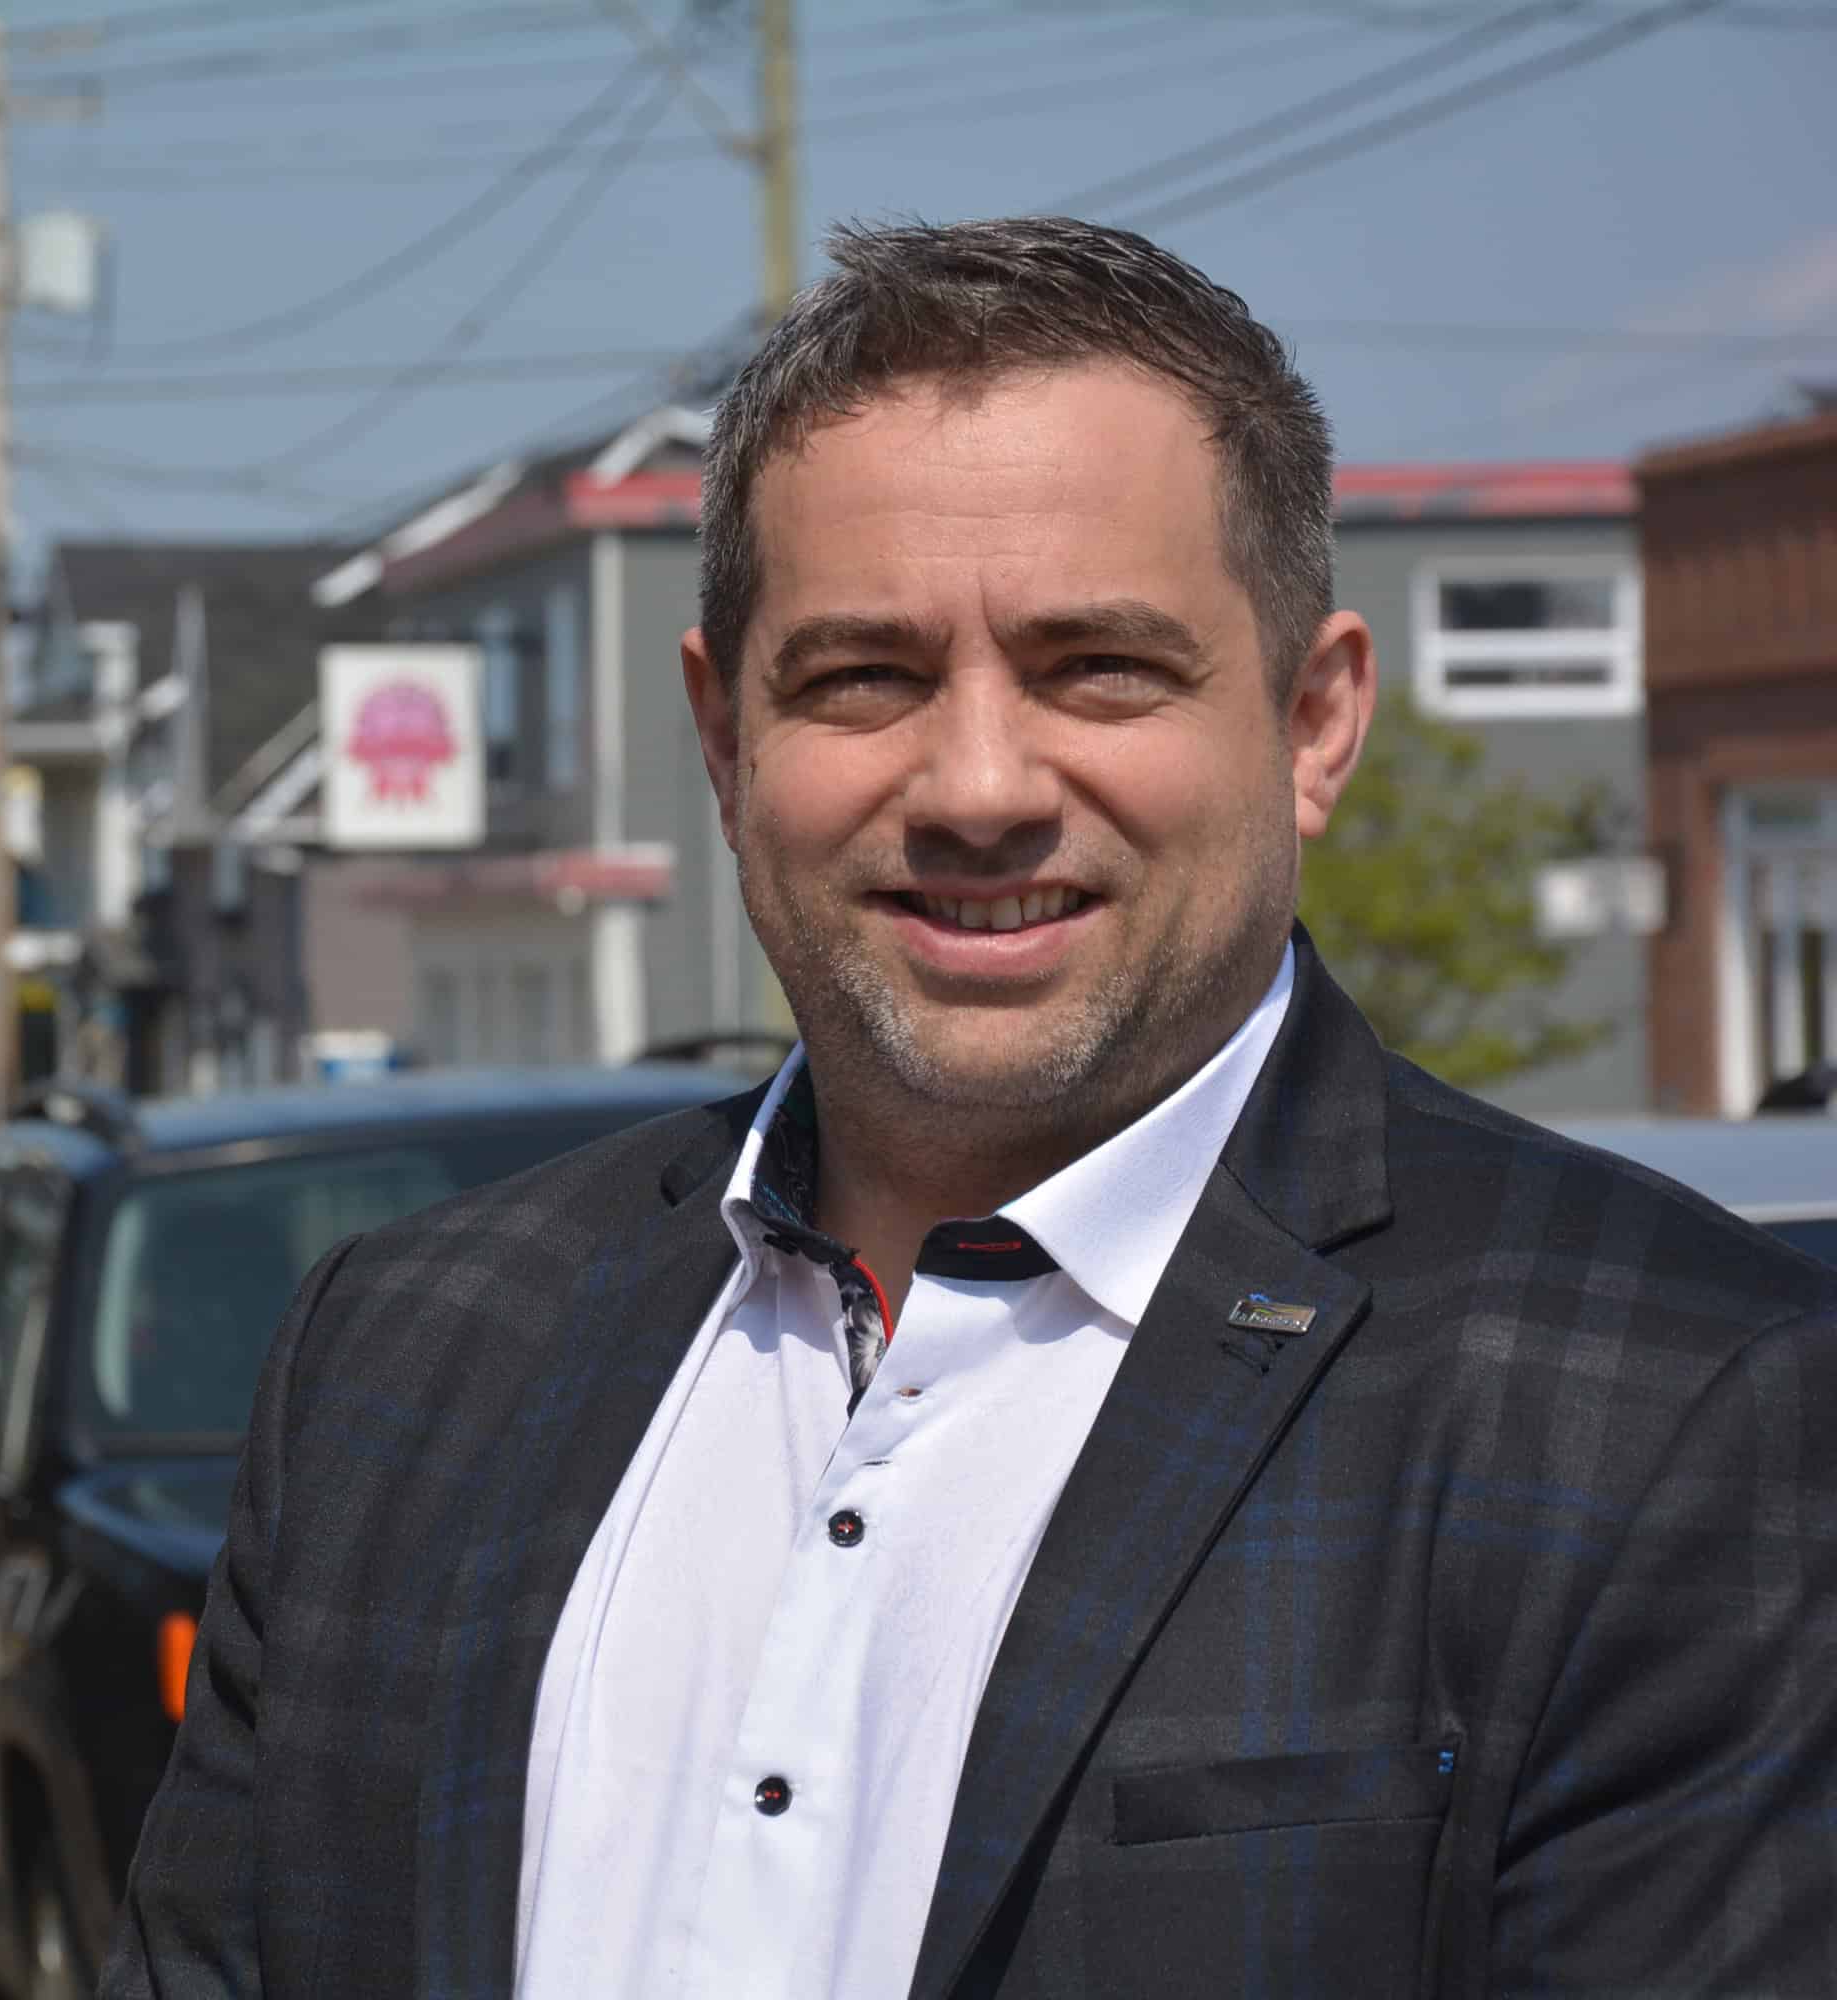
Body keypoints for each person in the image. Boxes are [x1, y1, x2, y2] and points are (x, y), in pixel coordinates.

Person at [100, 218, 1837, 2000]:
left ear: (1314, 722)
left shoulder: (1669, 1410)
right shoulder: (401, 1359)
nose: (981, 787)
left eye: (1100, 667)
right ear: (725, 744)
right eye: (865, 677)